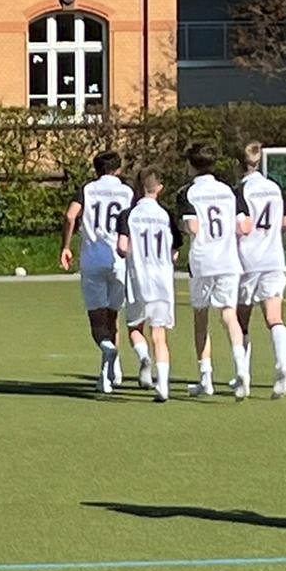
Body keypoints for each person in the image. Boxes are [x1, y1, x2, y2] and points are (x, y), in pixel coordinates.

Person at [60, 151, 143, 393]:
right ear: (118, 169)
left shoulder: (87, 189)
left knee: (97, 321)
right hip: (119, 260)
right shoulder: (127, 191)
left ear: (96, 169)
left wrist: (66, 246)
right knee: (112, 316)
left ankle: (108, 358)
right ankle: (113, 372)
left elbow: (70, 216)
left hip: (92, 261)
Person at [177, 144, 253, 400]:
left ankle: (205, 378)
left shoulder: (187, 192)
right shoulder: (230, 191)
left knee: (201, 317)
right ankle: (241, 368)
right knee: (229, 315)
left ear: (191, 165)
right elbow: (245, 226)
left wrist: (182, 226)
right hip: (228, 260)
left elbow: (193, 227)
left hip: (203, 260)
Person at [116, 168, 181, 403]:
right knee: (159, 334)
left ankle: (144, 356)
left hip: (138, 279)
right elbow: (174, 252)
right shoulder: (166, 215)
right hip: (162, 280)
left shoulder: (128, 215)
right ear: (159, 188)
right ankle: (162, 385)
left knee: (135, 327)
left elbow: (122, 247)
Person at [235, 143, 286, 400]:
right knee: (274, 317)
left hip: (247, 260)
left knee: (241, 321)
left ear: (238, 164)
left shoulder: (240, 190)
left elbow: (243, 227)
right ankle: (282, 364)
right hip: (273, 258)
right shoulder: (275, 187)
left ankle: (243, 374)